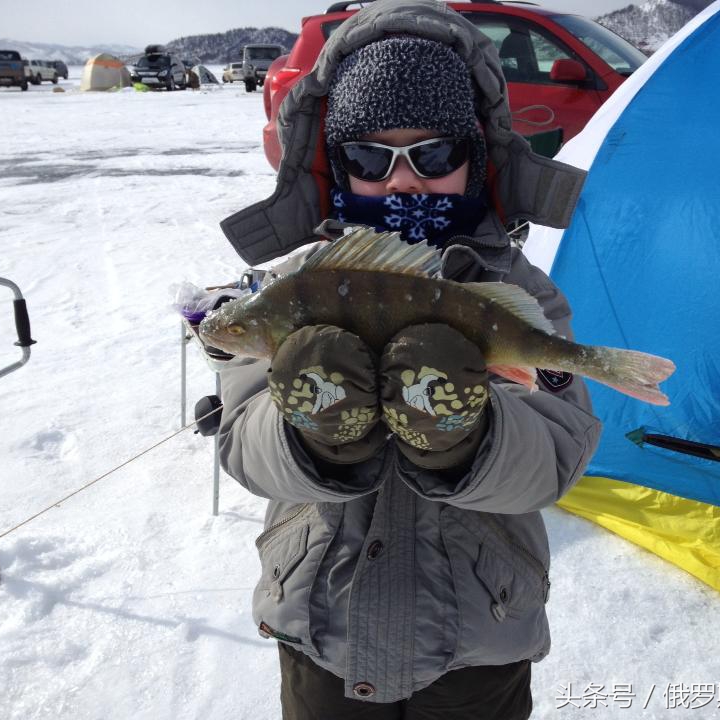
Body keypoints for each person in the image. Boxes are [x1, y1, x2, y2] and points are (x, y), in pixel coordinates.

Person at [215, 1, 602, 717]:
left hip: (479, 639)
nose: (402, 182)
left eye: (433, 154)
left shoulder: (516, 293)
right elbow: (243, 444)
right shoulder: (288, 288)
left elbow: (556, 458)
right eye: (369, 157)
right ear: (339, 164)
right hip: (319, 629)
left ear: (475, 158)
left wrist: (463, 441)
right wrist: (311, 431)